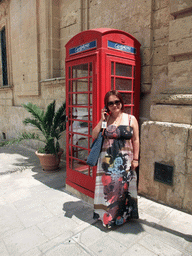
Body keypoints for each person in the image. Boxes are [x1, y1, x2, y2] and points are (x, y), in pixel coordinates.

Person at [92, 90, 139, 228]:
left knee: (123, 189)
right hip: (107, 161)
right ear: (107, 106)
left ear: (121, 102)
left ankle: (123, 216)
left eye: (117, 102)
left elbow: (136, 140)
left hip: (125, 160)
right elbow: (94, 135)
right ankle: (109, 219)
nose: (114, 105)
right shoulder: (106, 120)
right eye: (110, 103)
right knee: (109, 191)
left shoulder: (131, 119)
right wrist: (102, 119)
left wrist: (136, 159)